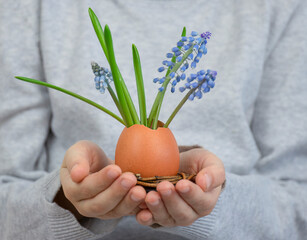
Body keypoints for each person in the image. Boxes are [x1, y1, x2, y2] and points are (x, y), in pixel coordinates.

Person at [0, 0, 306, 239]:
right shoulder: (32, 7)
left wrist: (214, 199)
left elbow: (298, 211)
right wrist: (68, 199)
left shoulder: (281, 8)